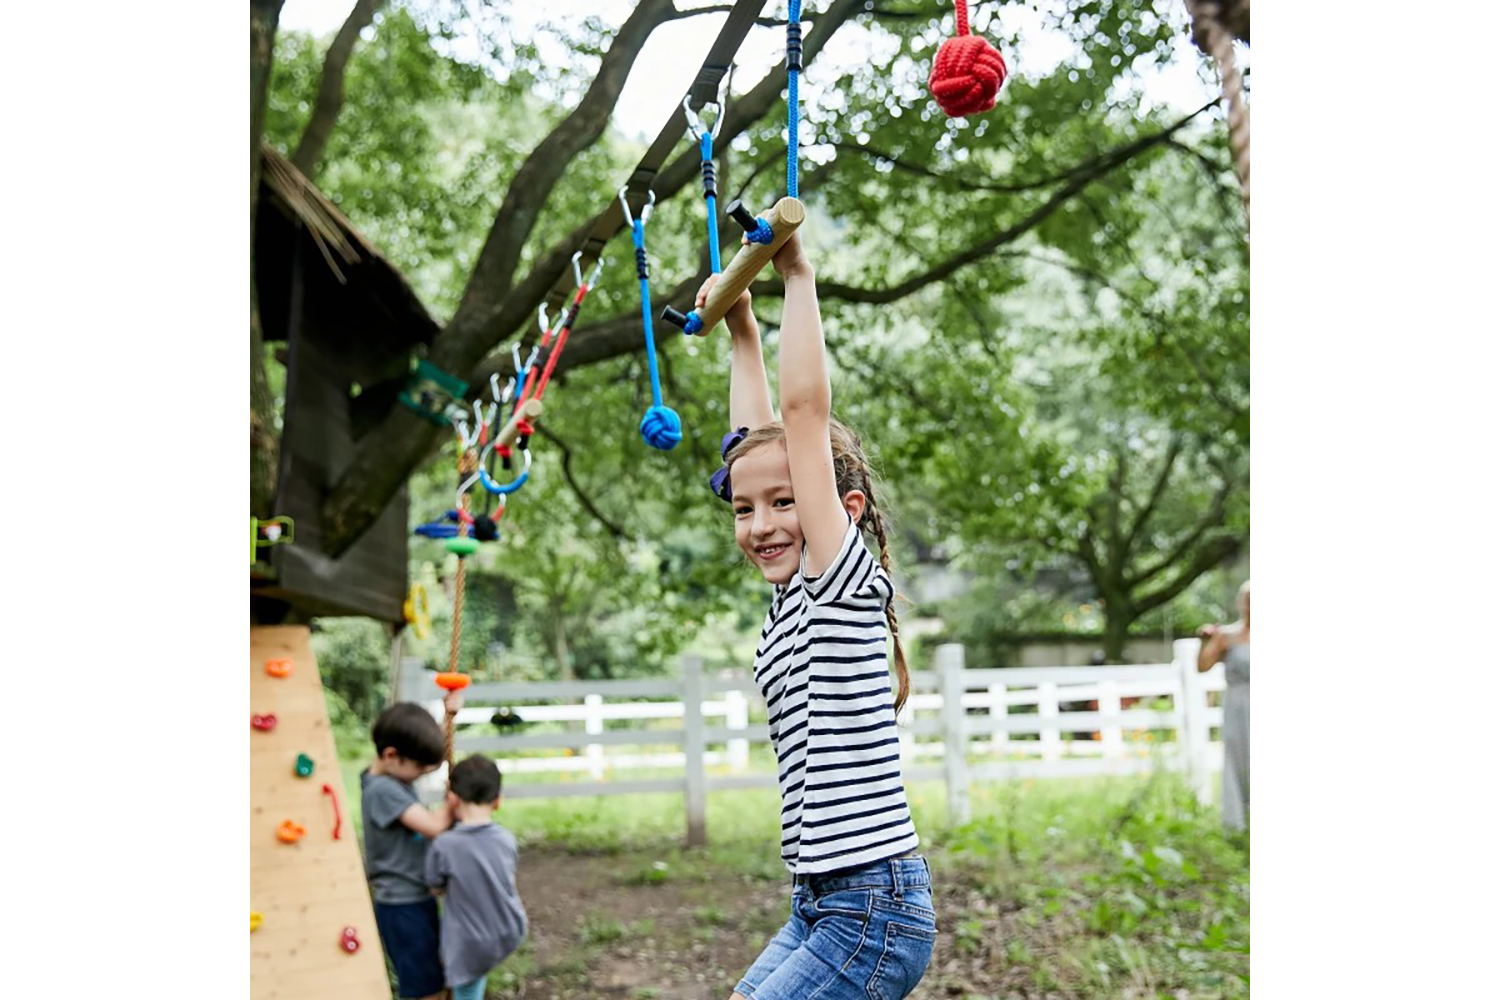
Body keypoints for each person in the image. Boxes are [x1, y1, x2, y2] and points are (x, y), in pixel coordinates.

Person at [701, 228, 937, 1000]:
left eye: (784, 502)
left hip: (873, 908)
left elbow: (802, 416)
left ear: (844, 507)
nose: (759, 523)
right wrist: (740, 327)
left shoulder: (837, 582)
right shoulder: (789, 599)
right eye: (744, 509)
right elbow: (757, 440)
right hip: (821, 904)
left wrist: (794, 273)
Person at [361, 694, 462, 1000]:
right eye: (419, 767)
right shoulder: (382, 790)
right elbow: (432, 826)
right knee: (424, 987)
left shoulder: (388, 773)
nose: (426, 772)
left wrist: (449, 718)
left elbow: (430, 759)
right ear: (391, 755)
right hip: (402, 906)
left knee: (432, 975)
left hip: (415, 899)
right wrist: (452, 803)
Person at [425, 755, 528, 1000]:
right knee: (477, 972)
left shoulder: (444, 844)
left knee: (467, 987)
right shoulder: (506, 839)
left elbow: (433, 886)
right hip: (508, 927)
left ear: (452, 799)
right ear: (498, 801)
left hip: (470, 939)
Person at [1198, 580, 1250, 831]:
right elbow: (1203, 666)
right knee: (1237, 758)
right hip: (1237, 707)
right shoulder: (1228, 635)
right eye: (1248, 600)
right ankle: (1237, 821)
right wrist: (1205, 641)